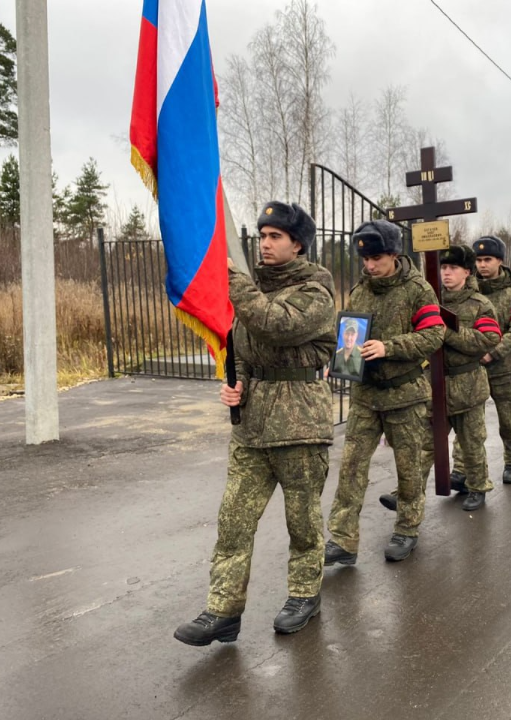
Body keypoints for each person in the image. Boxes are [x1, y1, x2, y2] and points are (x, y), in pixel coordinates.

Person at [175, 201, 336, 645]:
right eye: (262, 236)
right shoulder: (251, 289)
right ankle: (223, 610)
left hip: (300, 425)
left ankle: (305, 594)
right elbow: (243, 348)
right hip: (252, 427)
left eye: (275, 237)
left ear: (297, 244)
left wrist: (233, 281)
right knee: (234, 521)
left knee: (302, 522)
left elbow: (275, 326)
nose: (264, 244)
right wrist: (237, 383)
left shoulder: (315, 291)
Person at [324, 220, 445, 565]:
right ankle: (343, 540)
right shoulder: (361, 290)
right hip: (366, 397)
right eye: (365, 259)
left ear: (394, 254)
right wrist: (340, 357)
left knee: (408, 468)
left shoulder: (417, 290)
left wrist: (389, 347)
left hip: (404, 394)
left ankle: (407, 529)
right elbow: (349, 335)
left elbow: (434, 334)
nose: (369, 265)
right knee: (350, 469)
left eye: (376, 258)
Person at [420, 245, 502, 511]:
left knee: (471, 442)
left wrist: (448, 333)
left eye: (453, 268)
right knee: (426, 444)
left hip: (467, 385)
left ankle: (478, 487)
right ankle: (408, 494)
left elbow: (488, 340)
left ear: (467, 271)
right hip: (434, 385)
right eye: (444, 267)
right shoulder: (429, 302)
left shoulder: (480, 305)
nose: (447, 273)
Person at [457, 236, 511, 485]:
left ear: (499, 260)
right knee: (467, 420)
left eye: (487, 259)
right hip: (471, 367)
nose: (482, 265)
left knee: (507, 418)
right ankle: (461, 468)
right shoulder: (467, 291)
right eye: (478, 260)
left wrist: (494, 352)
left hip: (503, 367)